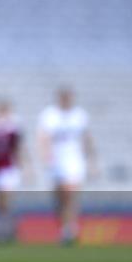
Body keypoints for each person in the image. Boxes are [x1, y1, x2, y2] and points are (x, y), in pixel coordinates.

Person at [37, 87, 96, 245]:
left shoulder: (79, 116)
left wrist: (91, 161)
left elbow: (87, 138)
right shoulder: (50, 115)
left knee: (71, 192)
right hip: (56, 160)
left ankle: (71, 228)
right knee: (60, 197)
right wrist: (45, 155)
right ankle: (64, 227)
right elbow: (44, 136)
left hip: (74, 159)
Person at [0, 101, 33, 242]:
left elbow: (19, 149)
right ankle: (0, 227)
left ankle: (7, 229)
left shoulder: (13, 128)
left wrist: (26, 167)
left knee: (6, 200)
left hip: (9, 168)